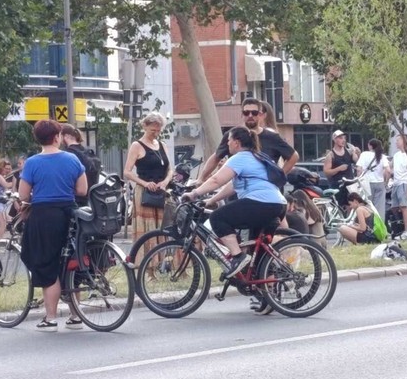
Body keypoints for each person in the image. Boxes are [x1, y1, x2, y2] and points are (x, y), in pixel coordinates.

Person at [183, 126, 287, 279]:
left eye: (229, 140)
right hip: (277, 204)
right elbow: (232, 186)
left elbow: (216, 180)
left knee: (218, 218)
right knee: (259, 255)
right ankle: (264, 288)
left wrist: (194, 193)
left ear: (237, 143)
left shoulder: (240, 158)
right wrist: (211, 200)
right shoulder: (256, 156)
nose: (227, 143)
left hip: (261, 203)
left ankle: (238, 257)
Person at [18, 119, 88, 332]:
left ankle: (50, 318)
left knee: (47, 266)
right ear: (57, 137)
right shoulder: (72, 159)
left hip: (44, 217)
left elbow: (23, 195)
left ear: (38, 139)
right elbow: (82, 190)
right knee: (71, 263)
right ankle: (75, 315)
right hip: (70, 213)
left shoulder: (32, 163)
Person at [197, 98, 298, 185]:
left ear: (260, 115)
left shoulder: (272, 137)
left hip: (265, 191)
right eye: (246, 112)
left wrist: (278, 176)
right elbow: (216, 157)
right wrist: (201, 179)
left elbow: (293, 156)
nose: (250, 115)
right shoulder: (232, 134)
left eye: (254, 113)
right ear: (242, 115)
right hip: (238, 190)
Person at [123, 112, 173, 254]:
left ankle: (164, 258)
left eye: (158, 130)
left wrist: (165, 181)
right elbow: (127, 171)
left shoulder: (162, 145)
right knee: (147, 227)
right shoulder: (136, 145)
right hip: (145, 193)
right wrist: (145, 183)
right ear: (145, 126)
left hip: (161, 191)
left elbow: (170, 169)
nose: (156, 133)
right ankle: (147, 261)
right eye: (153, 130)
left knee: (164, 225)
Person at [61, 124, 101, 205]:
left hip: (75, 199)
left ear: (66, 136)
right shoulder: (87, 152)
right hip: (90, 198)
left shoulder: (69, 155)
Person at [323, 130, 360, 208]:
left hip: (350, 184)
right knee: (339, 207)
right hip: (337, 186)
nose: (343, 140)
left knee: (352, 206)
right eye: (340, 138)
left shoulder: (349, 152)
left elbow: (357, 161)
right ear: (334, 140)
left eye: (344, 138)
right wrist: (338, 169)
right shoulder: (331, 155)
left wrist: (355, 152)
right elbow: (326, 172)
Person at [357, 138, 391, 219]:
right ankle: (379, 225)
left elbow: (359, 169)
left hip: (366, 183)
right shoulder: (382, 156)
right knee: (379, 209)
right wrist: (386, 183)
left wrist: (358, 180)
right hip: (379, 183)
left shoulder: (364, 154)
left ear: (370, 146)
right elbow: (388, 171)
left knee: (367, 206)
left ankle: (368, 224)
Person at [390, 134, 407, 240]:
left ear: (404, 141)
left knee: (404, 207)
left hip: (404, 183)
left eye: (398, 140)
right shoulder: (396, 155)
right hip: (396, 183)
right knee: (394, 207)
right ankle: (399, 227)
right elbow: (391, 167)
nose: (396, 142)